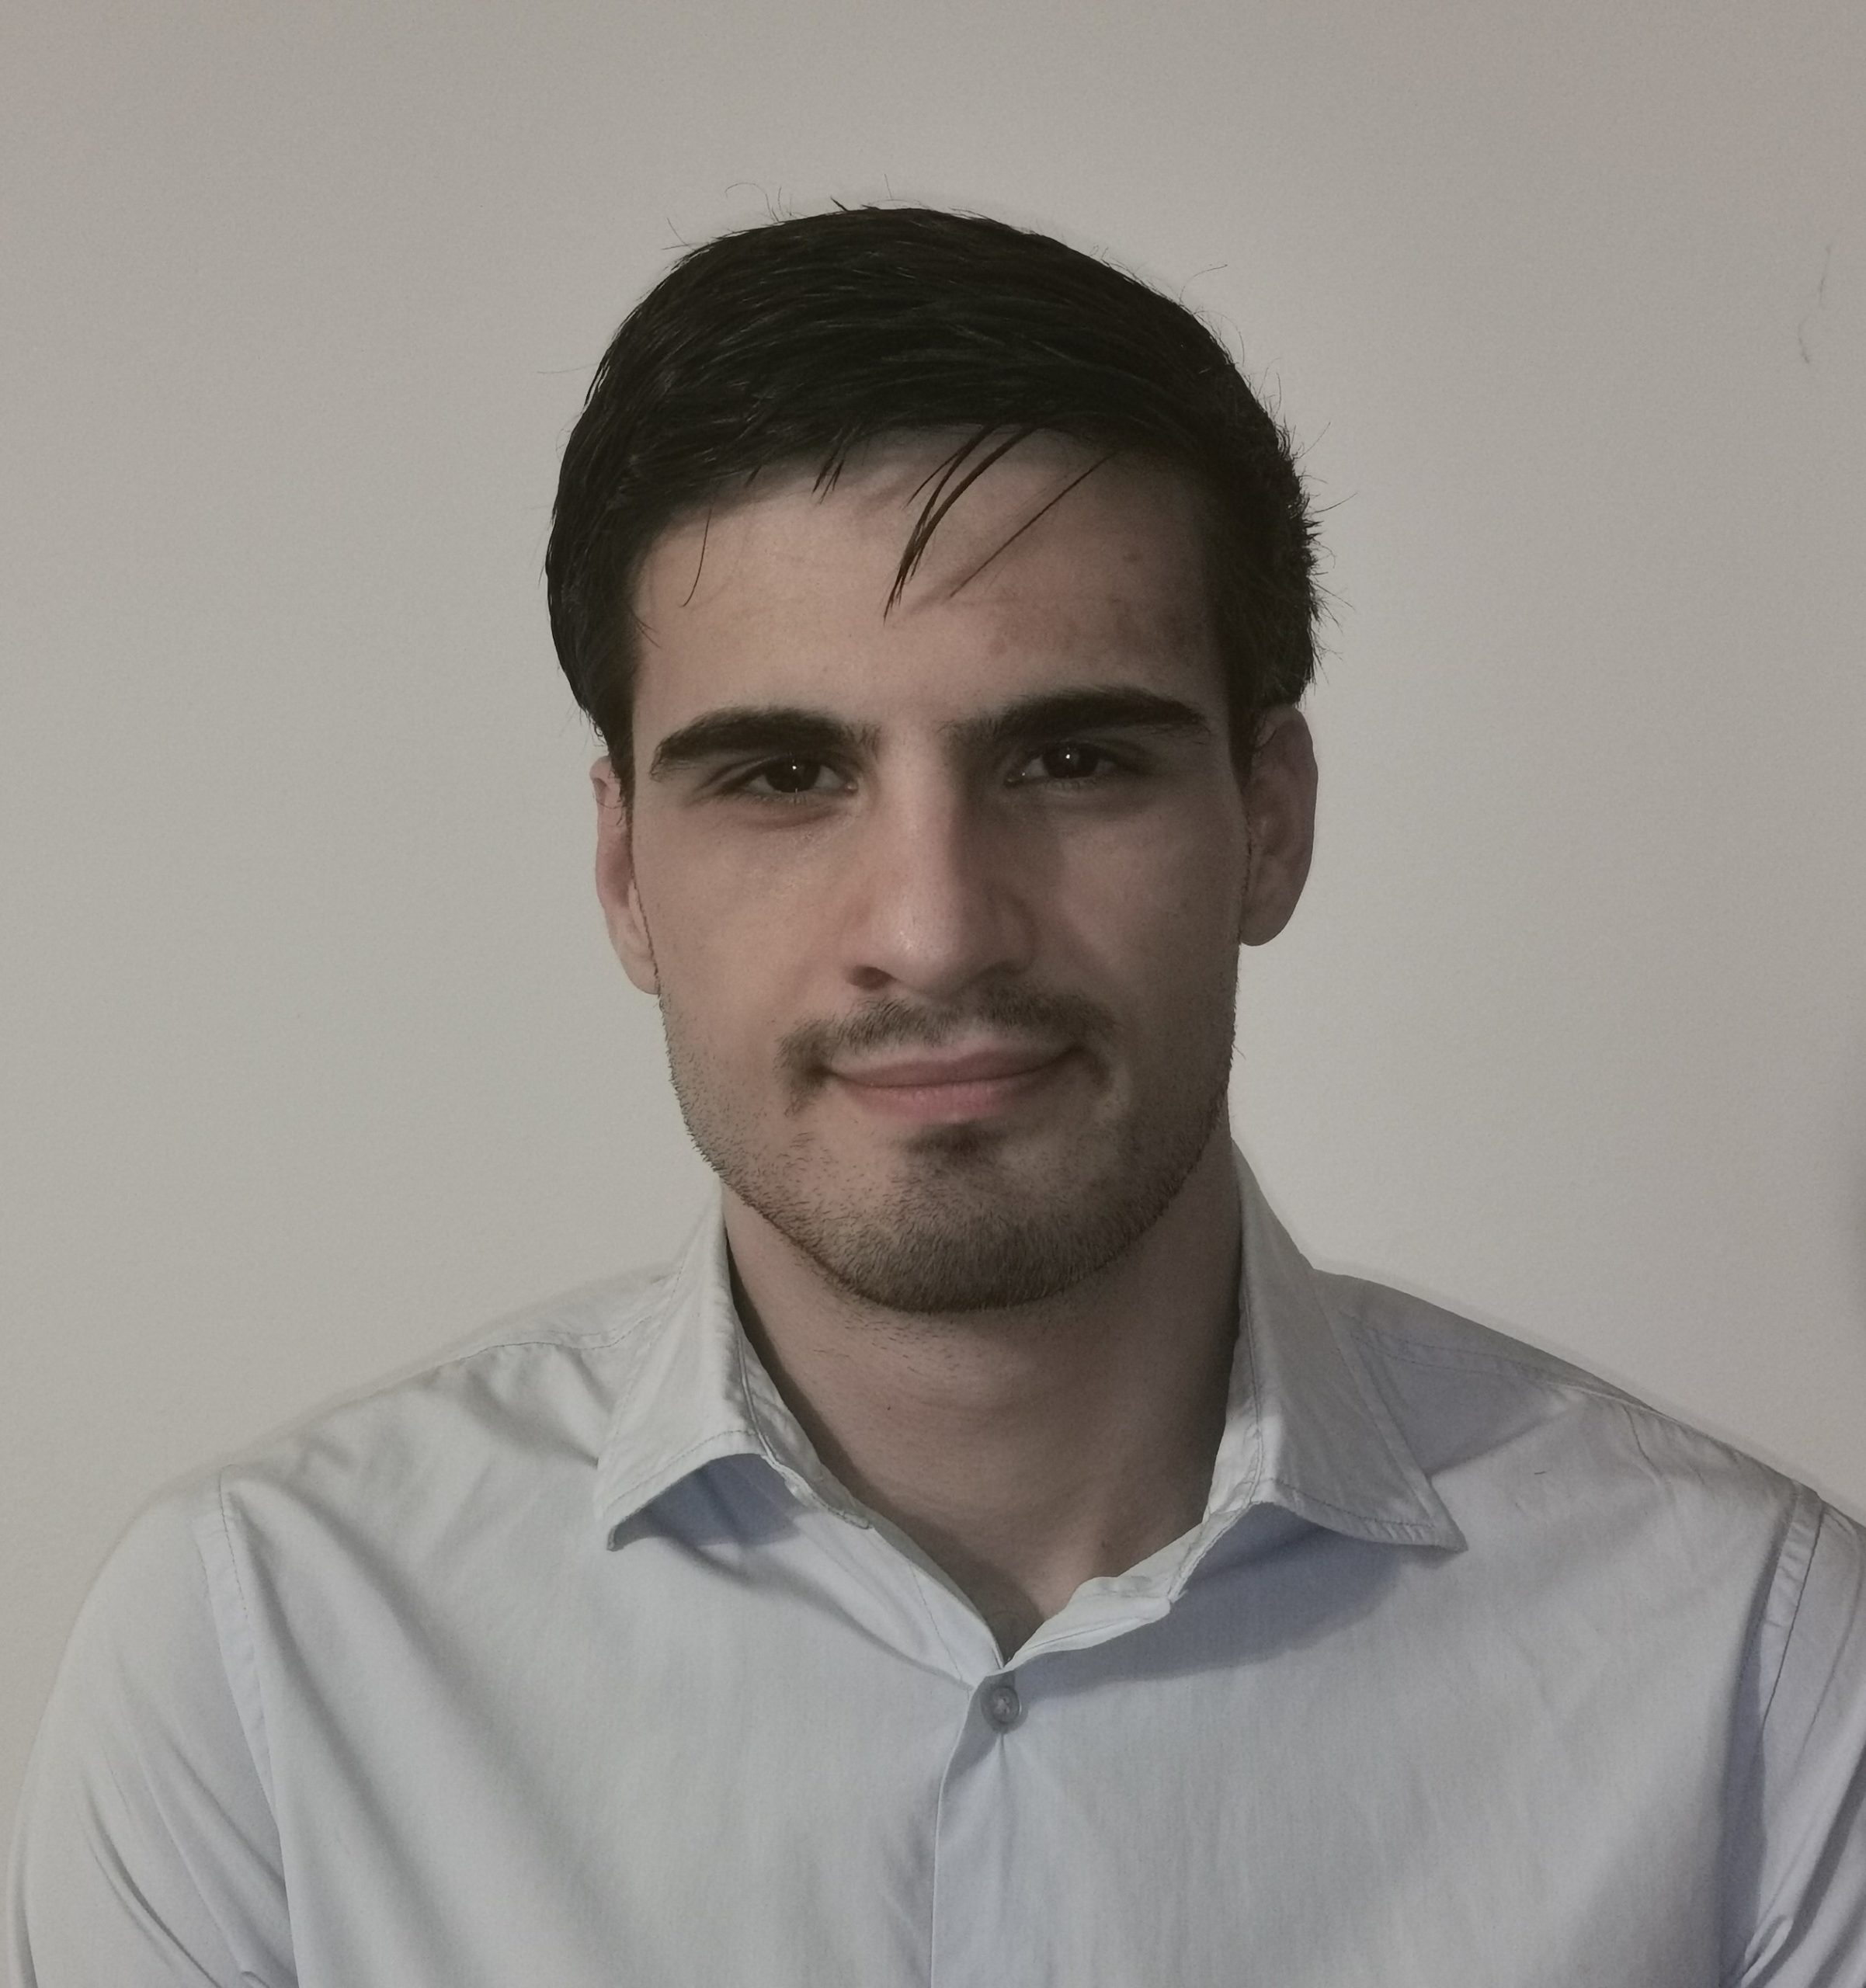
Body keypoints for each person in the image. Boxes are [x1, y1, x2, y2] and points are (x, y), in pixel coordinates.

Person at [9, 205, 1864, 1986]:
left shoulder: (1742, 1665)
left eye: (1070, 757)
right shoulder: (264, 1661)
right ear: (624, 873)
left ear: (1269, 821)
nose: (931, 925)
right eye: (779, 774)